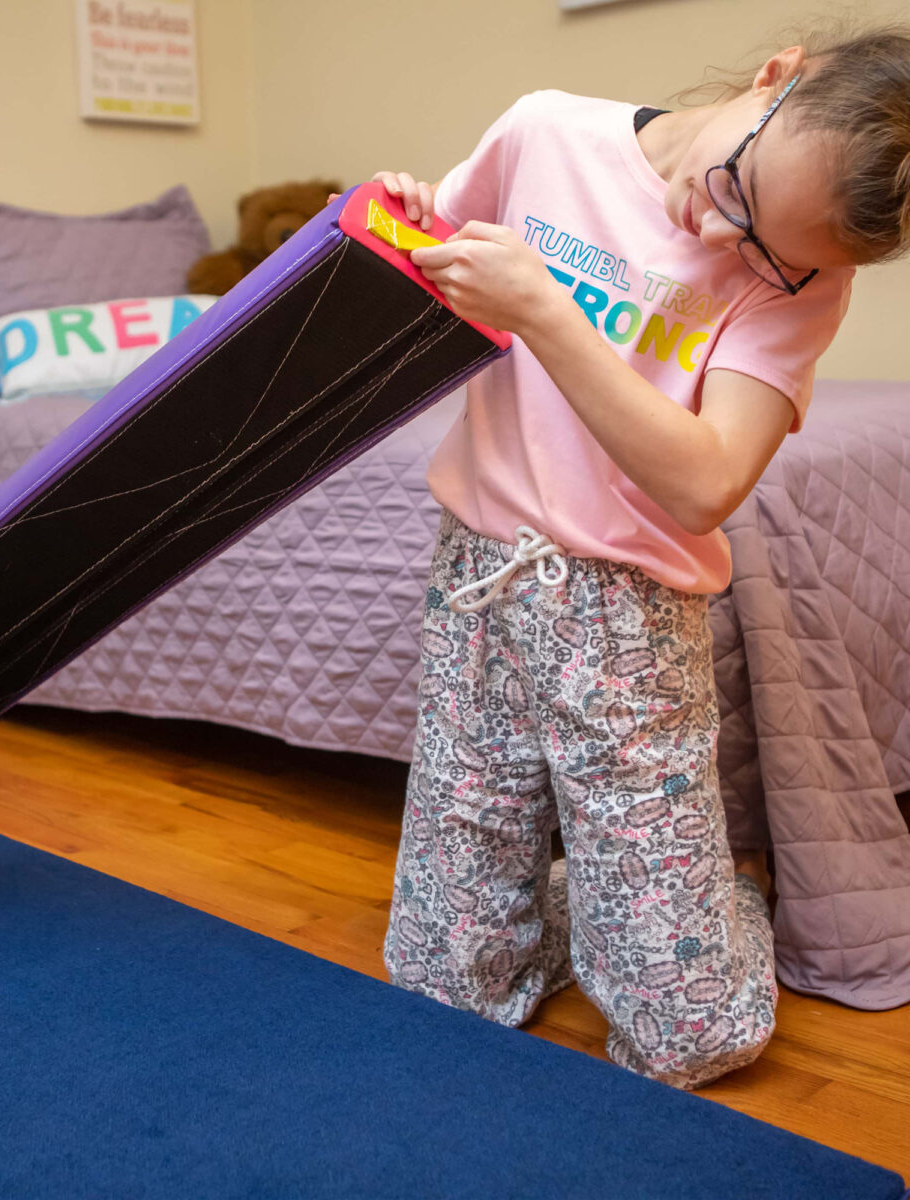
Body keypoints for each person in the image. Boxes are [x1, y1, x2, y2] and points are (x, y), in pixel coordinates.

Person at [367, 24, 910, 1090]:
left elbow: (707, 481)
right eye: (734, 185)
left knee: (692, 1039)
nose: (718, 229)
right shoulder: (543, 134)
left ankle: (711, 903)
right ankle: (577, 902)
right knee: (443, 988)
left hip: (631, 618)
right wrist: (406, 217)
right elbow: (432, 276)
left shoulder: (805, 283)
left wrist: (547, 311)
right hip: (477, 575)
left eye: (769, 247)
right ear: (775, 75)